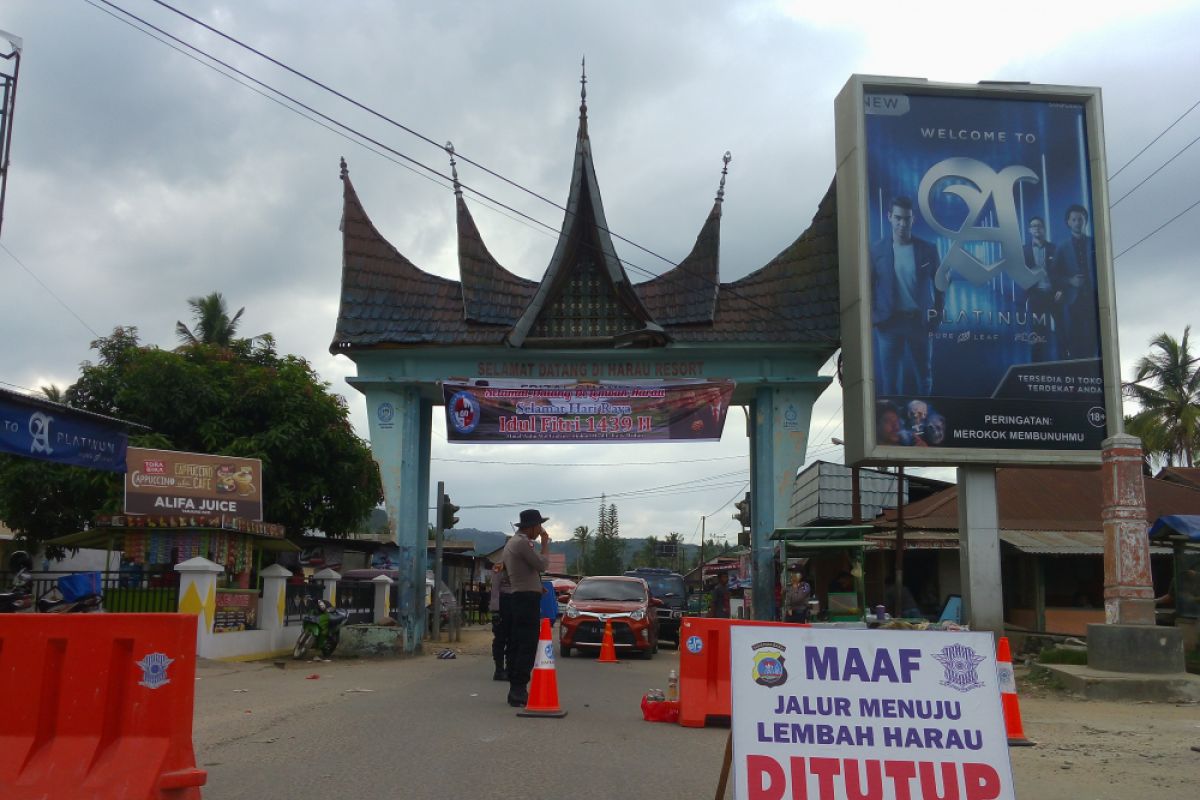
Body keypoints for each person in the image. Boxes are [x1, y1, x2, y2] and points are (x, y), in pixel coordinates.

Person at [870, 196, 942, 396]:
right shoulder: (876, 250)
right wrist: (874, 316)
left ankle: (924, 420)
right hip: (889, 324)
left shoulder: (928, 249)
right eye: (898, 218)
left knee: (925, 377)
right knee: (891, 383)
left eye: (906, 219)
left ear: (913, 219)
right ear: (889, 217)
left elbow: (941, 284)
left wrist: (937, 316)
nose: (902, 223)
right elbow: (867, 286)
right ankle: (894, 425)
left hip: (918, 322)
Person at [501, 509, 550, 708]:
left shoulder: (512, 543)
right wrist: (546, 544)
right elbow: (542, 564)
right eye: (539, 526)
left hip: (520, 595)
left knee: (516, 642)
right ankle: (519, 689)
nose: (540, 530)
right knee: (527, 643)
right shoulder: (522, 542)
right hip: (525, 599)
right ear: (532, 526)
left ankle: (516, 688)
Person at [1050, 204, 1099, 360]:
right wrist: (1070, 281)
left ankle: (1091, 369)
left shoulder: (1095, 243)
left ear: (1085, 221)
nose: (1078, 222)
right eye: (1074, 219)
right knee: (1075, 337)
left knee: (1093, 336)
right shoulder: (1063, 247)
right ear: (1068, 222)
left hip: (1093, 297)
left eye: (1081, 219)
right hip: (1073, 299)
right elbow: (1053, 275)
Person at [1022, 216, 1060, 361]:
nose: (1036, 228)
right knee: (1037, 331)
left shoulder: (1053, 248)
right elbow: (1020, 272)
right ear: (1029, 230)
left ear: (1043, 228)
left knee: (1061, 327)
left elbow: (1060, 270)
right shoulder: (1024, 250)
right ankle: (1038, 361)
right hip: (1035, 294)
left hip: (1053, 294)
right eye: (1033, 226)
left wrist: (1060, 290)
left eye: (1039, 225)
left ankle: (1064, 359)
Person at [488, 562, 513, 682]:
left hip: (516, 603)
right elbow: (495, 589)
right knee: (500, 639)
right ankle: (499, 670)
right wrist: (495, 611)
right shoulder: (500, 567)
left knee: (513, 639)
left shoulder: (521, 565)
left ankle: (509, 669)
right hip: (503, 603)